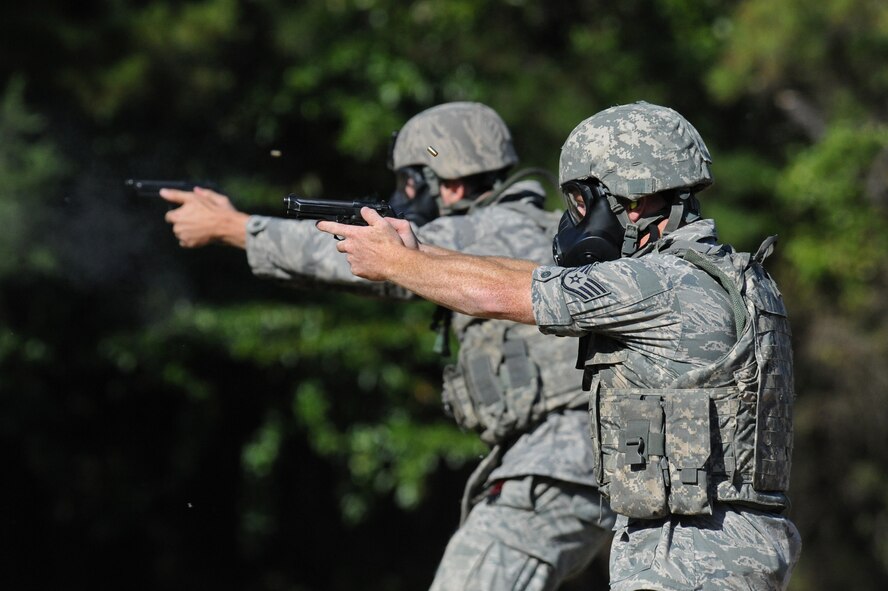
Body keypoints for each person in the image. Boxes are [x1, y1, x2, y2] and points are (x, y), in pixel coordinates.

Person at [317, 101, 803, 591]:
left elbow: (507, 295)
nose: (573, 219)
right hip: (714, 550)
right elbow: (536, 277)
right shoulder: (717, 275)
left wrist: (396, 266)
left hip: (690, 560)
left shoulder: (657, 285)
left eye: (579, 200)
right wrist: (418, 250)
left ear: (630, 204)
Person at [161, 102, 615, 590]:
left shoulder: (483, 229)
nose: (405, 197)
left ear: (453, 185)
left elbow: (352, 258)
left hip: (555, 467)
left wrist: (234, 228)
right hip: (595, 464)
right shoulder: (548, 230)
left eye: (412, 184)